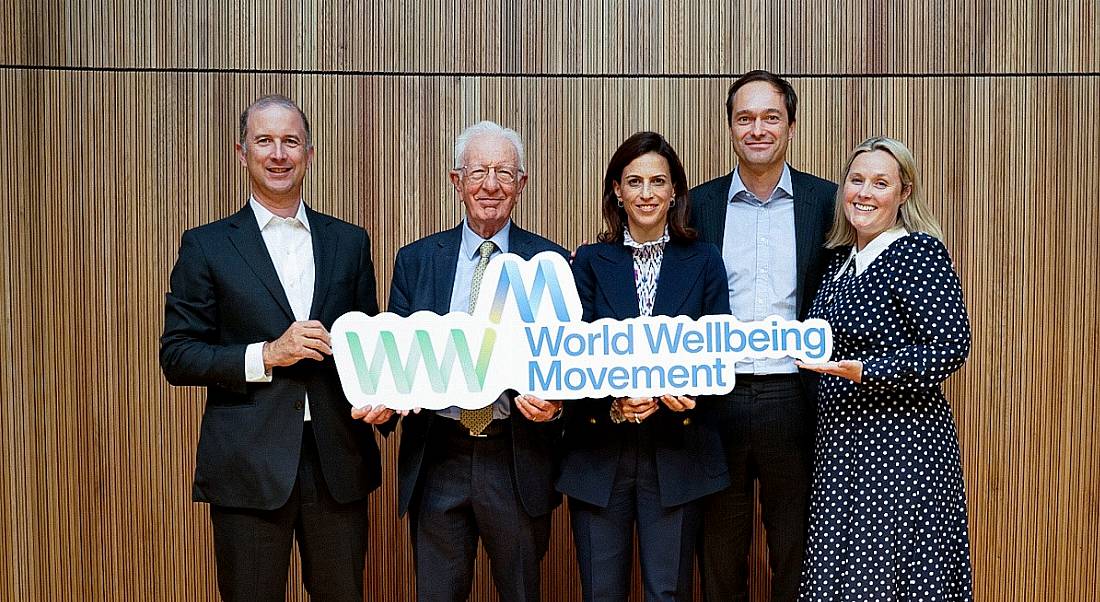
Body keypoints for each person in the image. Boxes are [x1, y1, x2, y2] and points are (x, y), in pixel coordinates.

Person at [159, 95, 391, 601]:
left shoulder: (348, 241)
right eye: (265, 141)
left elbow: (368, 343)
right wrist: (265, 354)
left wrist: (385, 400)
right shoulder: (207, 245)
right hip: (248, 467)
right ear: (242, 153)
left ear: (309, 153)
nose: (278, 153)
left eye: (290, 141)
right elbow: (177, 354)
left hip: (338, 465)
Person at [369, 120, 566, 602]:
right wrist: (387, 398)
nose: (490, 185)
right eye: (478, 172)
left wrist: (558, 405)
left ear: (522, 184)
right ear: (457, 181)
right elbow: (398, 355)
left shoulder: (552, 262)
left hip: (514, 454)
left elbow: (568, 365)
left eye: (504, 172)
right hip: (440, 454)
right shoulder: (416, 260)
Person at [557, 131, 731, 601]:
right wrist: (613, 404)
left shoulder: (705, 259)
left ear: (676, 190)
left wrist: (691, 393)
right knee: (601, 593)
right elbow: (571, 352)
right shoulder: (589, 262)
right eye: (635, 181)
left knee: (666, 593)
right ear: (617, 189)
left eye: (659, 181)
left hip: (678, 452)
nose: (647, 193)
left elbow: (719, 352)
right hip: (600, 452)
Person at [797, 136, 973, 600]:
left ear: (904, 193)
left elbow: (951, 347)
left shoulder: (917, 253)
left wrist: (867, 371)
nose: (865, 193)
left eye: (881, 183)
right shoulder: (838, 263)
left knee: (894, 578)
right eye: (857, 180)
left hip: (900, 452)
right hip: (842, 450)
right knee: (844, 578)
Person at [690, 69, 836, 601]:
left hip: (795, 396)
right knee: (720, 552)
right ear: (729, 127)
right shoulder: (697, 206)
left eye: (771, 117)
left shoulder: (828, 201)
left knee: (797, 548)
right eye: (744, 118)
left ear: (791, 126)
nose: (758, 129)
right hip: (717, 397)